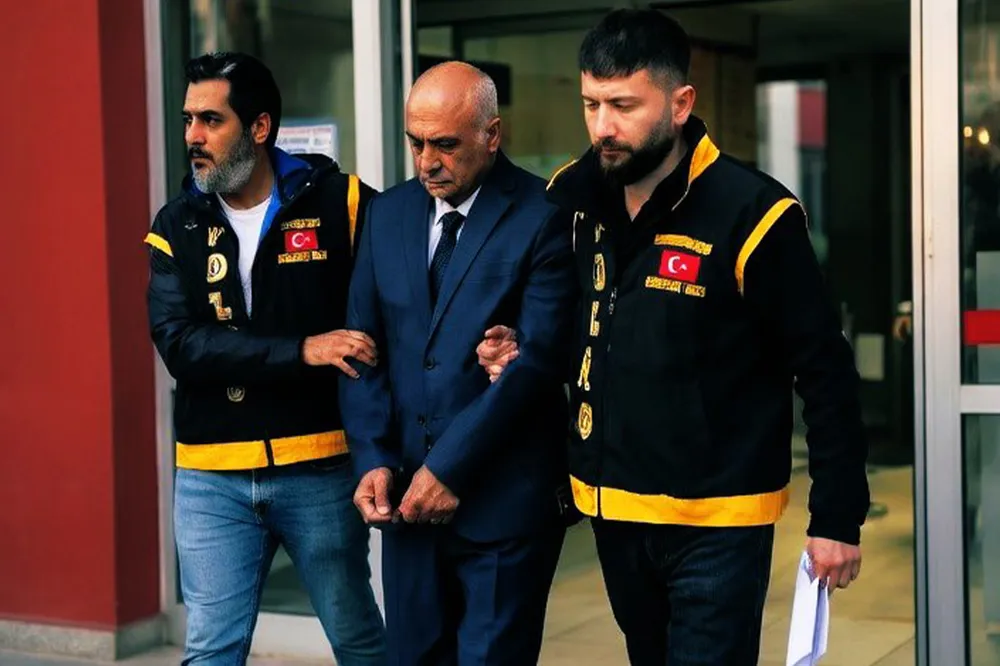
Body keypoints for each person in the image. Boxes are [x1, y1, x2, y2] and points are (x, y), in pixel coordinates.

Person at [478, 10, 870, 666]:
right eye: (591, 104)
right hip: (613, 507)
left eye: (624, 105)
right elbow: (585, 325)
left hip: (718, 520)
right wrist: (518, 348)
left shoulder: (755, 213)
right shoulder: (574, 200)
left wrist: (836, 516)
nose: (603, 126)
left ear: (680, 103)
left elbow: (825, 370)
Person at [144, 52, 386, 665]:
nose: (193, 136)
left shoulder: (342, 202)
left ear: (259, 127)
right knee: (211, 651)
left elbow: (403, 302)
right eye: (188, 119)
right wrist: (304, 349)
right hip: (211, 477)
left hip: (320, 466)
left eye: (211, 120)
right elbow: (181, 345)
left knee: (357, 639)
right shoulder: (175, 224)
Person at [339, 61, 578, 665]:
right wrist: (372, 457)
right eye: (415, 143)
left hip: (504, 506)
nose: (426, 162)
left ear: (491, 135)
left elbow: (536, 364)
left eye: (444, 145)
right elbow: (362, 350)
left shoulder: (545, 215)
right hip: (406, 504)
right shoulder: (386, 215)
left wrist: (449, 470)